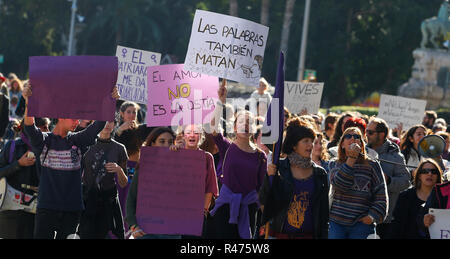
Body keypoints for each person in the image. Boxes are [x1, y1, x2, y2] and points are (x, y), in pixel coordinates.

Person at [22, 82, 120, 239]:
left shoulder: (78, 141)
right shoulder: (44, 141)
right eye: (74, 118)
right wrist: (29, 102)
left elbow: (98, 125)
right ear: (60, 115)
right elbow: (29, 127)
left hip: (72, 209)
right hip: (47, 208)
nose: (77, 122)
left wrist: (110, 99)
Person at [209, 79, 268, 239]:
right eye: (242, 122)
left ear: (254, 128)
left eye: (249, 122)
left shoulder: (260, 155)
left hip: (248, 208)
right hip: (226, 206)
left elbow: (262, 186)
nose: (246, 125)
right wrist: (220, 102)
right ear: (235, 127)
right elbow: (213, 128)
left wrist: (265, 214)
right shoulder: (227, 147)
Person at [259, 117, 329, 239]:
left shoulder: (320, 174)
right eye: (305, 141)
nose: (310, 145)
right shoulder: (278, 168)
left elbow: (323, 214)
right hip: (279, 235)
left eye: (311, 141)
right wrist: (270, 177)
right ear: (294, 145)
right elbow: (263, 201)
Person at [328, 127, 388, 239]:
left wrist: (371, 216)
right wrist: (351, 158)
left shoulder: (372, 165)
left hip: (361, 224)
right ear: (342, 144)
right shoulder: (334, 164)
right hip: (336, 223)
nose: (353, 139)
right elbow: (340, 185)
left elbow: (381, 195)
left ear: (361, 144)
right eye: (348, 136)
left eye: (357, 137)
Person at [78, 120, 129, 239]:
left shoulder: (120, 148)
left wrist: (119, 170)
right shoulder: (86, 144)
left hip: (108, 200)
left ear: (115, 125)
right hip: (88, 199)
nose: (107, 125)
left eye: (111, 122)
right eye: (104, 121)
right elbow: (77, 174)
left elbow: (124, 183)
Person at [125, 127, 178, 239]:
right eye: (162, 141)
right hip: (146, 231)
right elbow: (131, 199)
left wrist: (181, 156)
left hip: (171, 231)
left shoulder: (180, 168)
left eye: (170, 142)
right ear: (153, 144)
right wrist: (133, 226)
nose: (166, 145)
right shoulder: (143, 169)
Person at [170, 124, 220, 238]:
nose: (192, 135)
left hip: (196, 213)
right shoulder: (174, 154)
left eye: (196, 132)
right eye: (188, 132)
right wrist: (171, 153)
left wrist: (203, 210)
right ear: (183, 136)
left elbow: (210, 186)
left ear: (201, 136)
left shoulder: (207, 157)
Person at [365, 117, 411, 239]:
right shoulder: (362, 152)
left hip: (385, 218)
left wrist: (388, 180)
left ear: (382, 134)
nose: (366, 135)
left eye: (370, 132)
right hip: (362, 215)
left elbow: (406, 182)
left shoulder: (396, 156)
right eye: (366, 131)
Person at [113, 101, 154, 229]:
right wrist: (120, 130)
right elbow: (109, 144)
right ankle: (120, 229)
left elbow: (157, 126)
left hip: (136, 169)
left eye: (134, 112)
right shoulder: (116, 130)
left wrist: (152, 107)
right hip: (122, 170)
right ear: (122, 114)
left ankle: (132, 228)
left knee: (134, 199)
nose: (132, 115)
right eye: (129, 112)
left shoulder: (140, 129)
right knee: (122, 199)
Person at [0, 119, 39, 239]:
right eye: (45, 127)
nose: (48, 132)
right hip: (10, 213)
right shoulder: (11, 146)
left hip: (32, 213)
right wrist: (19, 164)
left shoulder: (45, 150)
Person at [391, 159, 443, 239]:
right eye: (425, 171)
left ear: (438, 176)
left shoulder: (444, 198)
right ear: (419, 175)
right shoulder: (405, 196)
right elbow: (396, 226)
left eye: (434, 171)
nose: (430, 174)